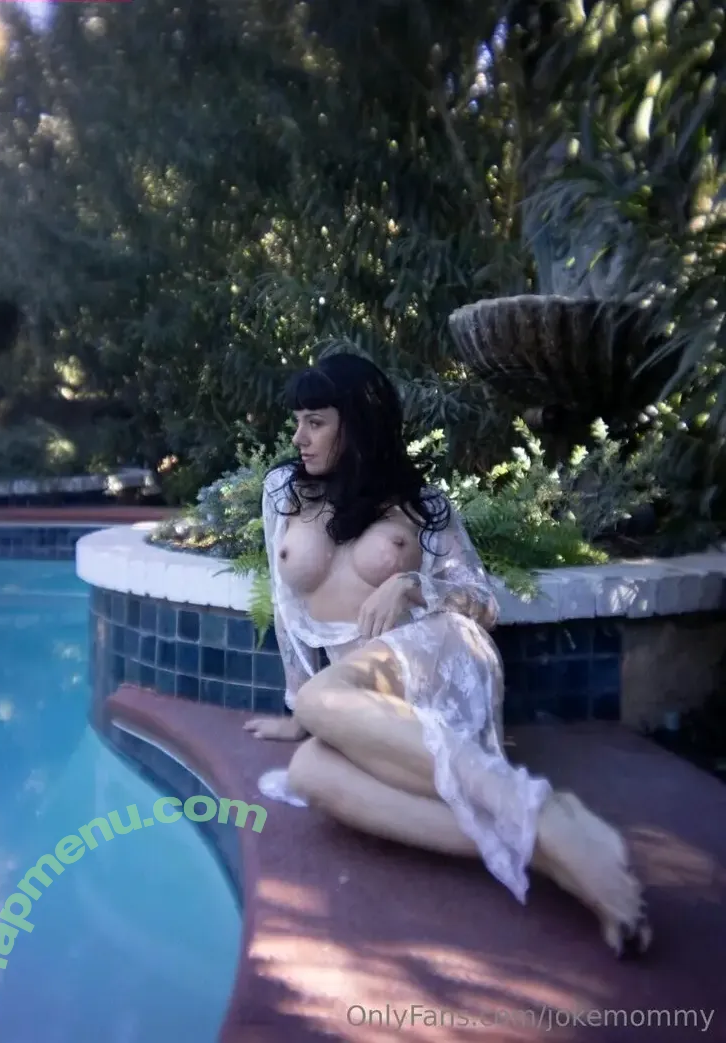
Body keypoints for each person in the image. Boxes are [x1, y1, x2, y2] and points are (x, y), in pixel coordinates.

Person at [243, 351, 651, 958]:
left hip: (437, 653)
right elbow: (285, 607)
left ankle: (545, 823)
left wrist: (413, 584)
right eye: (298, 422)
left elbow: (482, 602)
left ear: (359, 423)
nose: (299, 438)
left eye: (316, 422)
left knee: (322, 700)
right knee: (307, 772)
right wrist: (296, 704)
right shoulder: (285, 493)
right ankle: (550, 840)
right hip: (362, 698)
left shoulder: (421, 505)